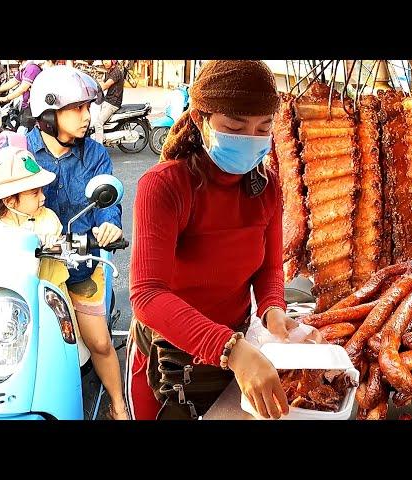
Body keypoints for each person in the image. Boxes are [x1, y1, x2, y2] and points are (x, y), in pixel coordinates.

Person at [125, 60, 320, 421]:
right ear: (200, 120)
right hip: (168, 364)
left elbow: (269, 268)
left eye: (263, 128)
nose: (250, 139)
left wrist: (274, 311)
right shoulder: (165, 185)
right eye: (234, 127)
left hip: (231, 356)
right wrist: (230, 348)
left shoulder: (267, 185)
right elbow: (147, 295)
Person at [0, 66, 129, 419]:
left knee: (99, 342)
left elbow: (107, 202)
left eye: (88, 108)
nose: (87, 117)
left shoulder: (95, 153)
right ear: (50, 113)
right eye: (77, 109)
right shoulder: (18, 149)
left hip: (79, 266)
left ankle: (118, 404)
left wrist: (108, 229)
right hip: (26, 272)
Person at [0, 146, 79, 340]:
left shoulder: (47, 218)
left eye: (41, 191)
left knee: (61, 342)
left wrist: (51, 241)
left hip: (50, 299)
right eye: (35, 193)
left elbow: (53, 235)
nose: (43, 197)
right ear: (9, 201)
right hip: (12, 305)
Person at [0, 60, 43, 131]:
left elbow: (23, 88)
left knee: (23, 134)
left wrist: (6, 98)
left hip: (32, 109)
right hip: (25, 107)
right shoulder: (25, 68)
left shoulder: (32, 69)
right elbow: (14, 81)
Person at [94, 60, 124, 144]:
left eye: (107, 60)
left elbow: (105, 86)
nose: (105, 62)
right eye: (104, 60)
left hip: (113, 102)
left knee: (98, 123)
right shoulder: (108, 72)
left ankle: (99, 148)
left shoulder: (116, 72)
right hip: (107, 100)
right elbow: (102, 82)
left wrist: (95, 89)